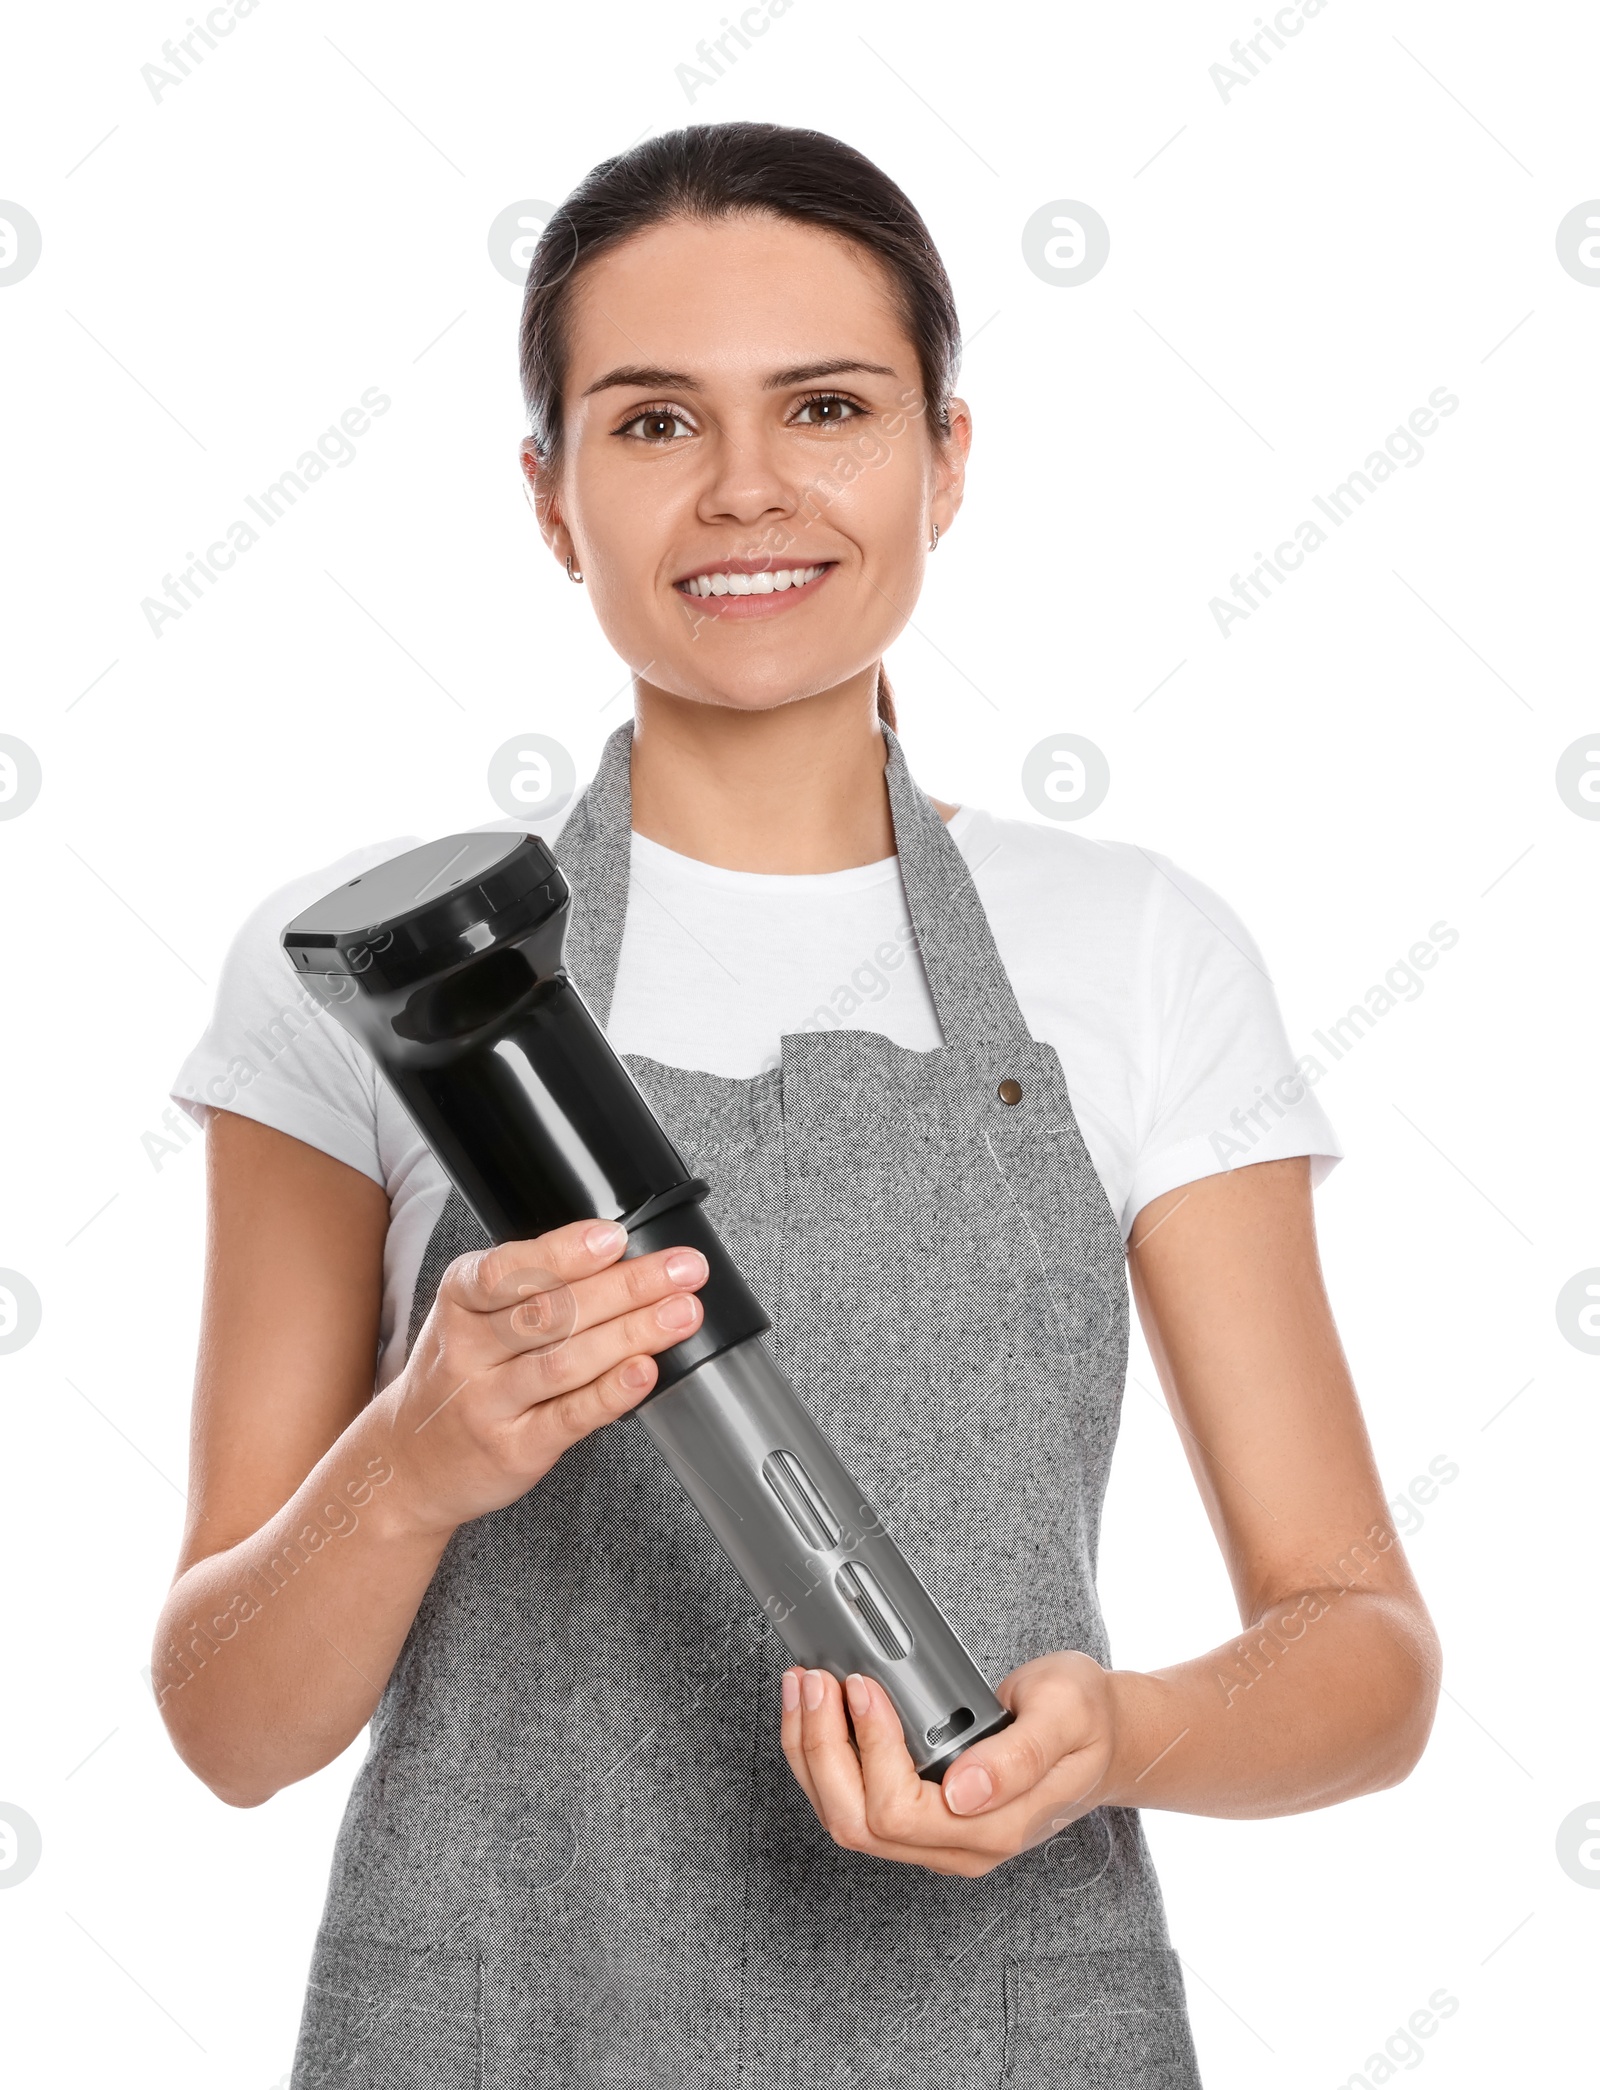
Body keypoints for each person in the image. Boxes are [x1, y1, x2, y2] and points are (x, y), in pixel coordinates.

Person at [153, 120, 1441, 2089]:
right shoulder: (372, 979)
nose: (744, 488)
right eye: (652, 421)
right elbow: (231, 1727)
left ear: (943, 454)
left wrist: (1128, 1736)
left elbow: (1360, 1653)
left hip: (1007, 2023)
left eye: (825, 407)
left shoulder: (1131, 951)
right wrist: (410, 1457)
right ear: (549, 494)